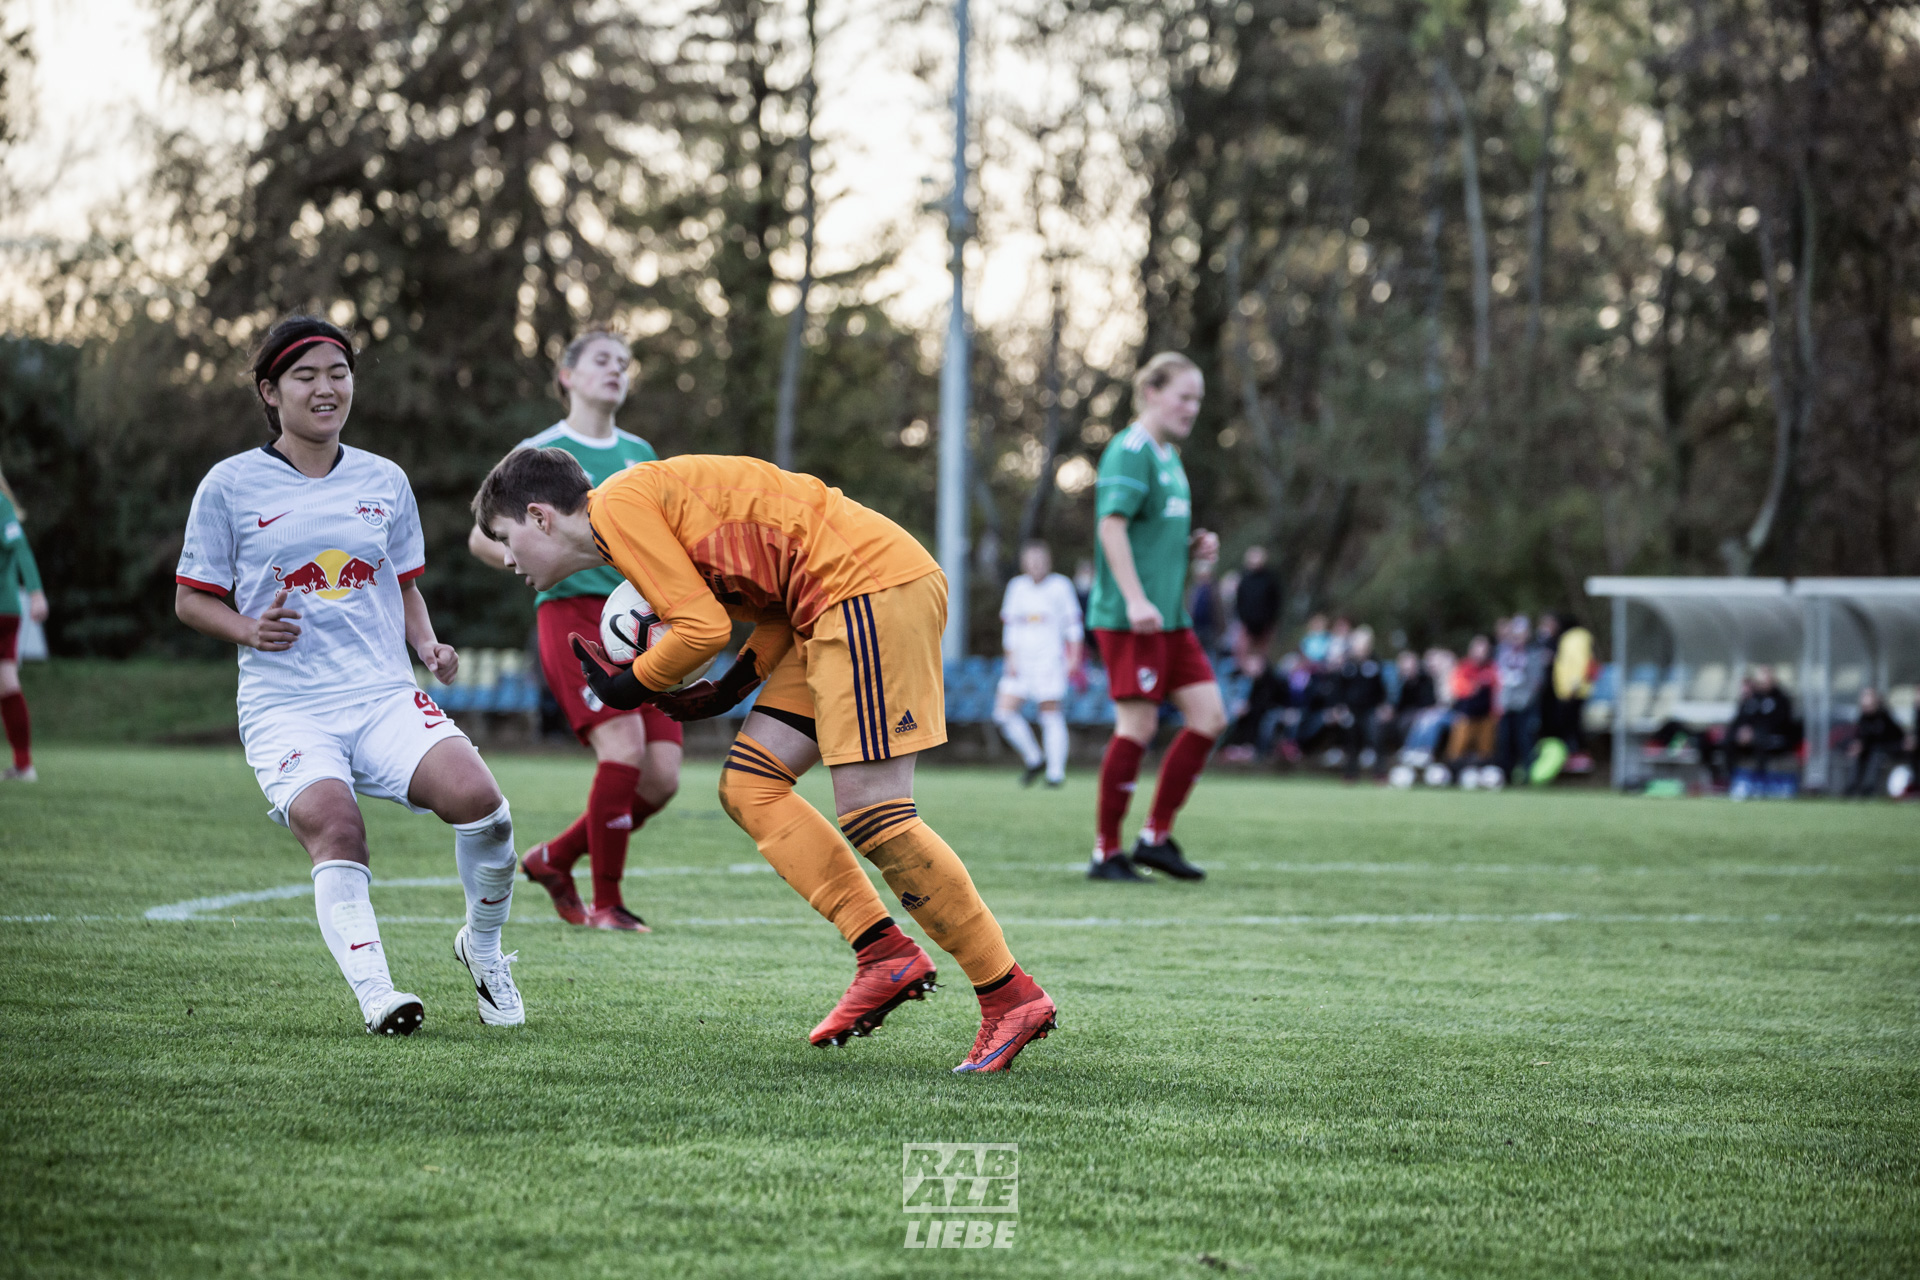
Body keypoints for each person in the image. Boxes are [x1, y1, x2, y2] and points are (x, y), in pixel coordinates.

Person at [471, 447, 1057, 1073]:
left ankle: (1009, 996)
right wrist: (733, 686)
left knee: (876, 814)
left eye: (504, 540)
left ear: (539, 518)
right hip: (826, 601)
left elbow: (700, 629)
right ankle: (883, 953)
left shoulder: (617, 508)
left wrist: (628, 686)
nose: (506, 561)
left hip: (862, 589)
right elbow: (771, 596)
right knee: (750, 786)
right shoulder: (631, 513)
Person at [174, 315, 524, 1036]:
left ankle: (483, 951)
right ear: (271, 392)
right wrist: (247, 629)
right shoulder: (229, 485)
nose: (325, 388)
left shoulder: (384, 480)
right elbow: (190, 598)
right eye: (305, 376)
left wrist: (427, 646)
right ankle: (378, 993)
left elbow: (403, 584)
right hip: (286, 705)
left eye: (338, 373)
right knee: (337, 827)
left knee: (485, 809)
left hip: (382, 694)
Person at [467, 331, 677, 931]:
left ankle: (553, 859)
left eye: (624, 364)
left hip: (640, 619)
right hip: (573, 618)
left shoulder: (641, 452)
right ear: (567, 376)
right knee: (624, 751)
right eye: (602, 361)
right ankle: (606, 904)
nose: (616, 371)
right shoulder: (540, 451)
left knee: (661, 779)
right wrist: (532, 562)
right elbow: (485, 532)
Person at [1083, 352, 1223, 883]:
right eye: (1183, 397)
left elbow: (1149, 535)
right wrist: (1137, 599)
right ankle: (1106, 852)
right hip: (1130, 618)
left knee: (1209, 717)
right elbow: (1111, 528)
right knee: (1137, 725)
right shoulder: (1131, 450)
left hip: (1170, 618)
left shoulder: (1168, 456)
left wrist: (1194, 548)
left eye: (1197, 400)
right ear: (1150, 392)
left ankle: (1155, 838)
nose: (1192, 408)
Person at [992, 540, 1083, 787]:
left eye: (1040, 560)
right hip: (1021, 661)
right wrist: (1010, 658)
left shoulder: (1060, 586)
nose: (1036, 565)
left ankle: (1056, 773)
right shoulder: (1017, 587)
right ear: (1024, 563)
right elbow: (1010, 627)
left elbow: (1073, 625)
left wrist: (1074, 657)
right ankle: (1034, 758)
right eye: (1031, 560)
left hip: (1050, 659)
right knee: (1003, 713)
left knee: (1050, 713)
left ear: (1048, 561)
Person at [0, 465, 46, 781]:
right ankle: (23, 764)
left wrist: (36, 592)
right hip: (7, 611)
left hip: (3, 610)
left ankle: (24, 763)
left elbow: (21, 548)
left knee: (8, 682)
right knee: (7, 683)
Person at [1845, 689, 1913, 797]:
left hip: (1887, 749)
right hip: (1869, 750)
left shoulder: (1884, 716)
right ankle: (1851, 789)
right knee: (1858, 757)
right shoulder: (1863, 718)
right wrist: (1857, 745)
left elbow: (1898, 734)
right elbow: (1859, 737)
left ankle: (1869, 789)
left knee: (1876, 755)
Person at [1444, 635, 1498, 770]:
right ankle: (1453, 769)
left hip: (1486, 715)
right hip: (1466, 714)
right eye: (1478, 649)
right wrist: (1473, 686)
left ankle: (1484, 769)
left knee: (1486, 747)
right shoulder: (1464, 667)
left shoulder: (1492, 668)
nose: (1480, 652)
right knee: (1458, 744)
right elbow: (1458, 689)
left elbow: (1497, 689)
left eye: (1483, 649)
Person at [1231, 545, 1281, 662]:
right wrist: (1242, 617)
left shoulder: (1270, 579)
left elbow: (1275, 601)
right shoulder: (1244, 579)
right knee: (1242, 654)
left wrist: (1270, 620)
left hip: (1264, 624)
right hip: (1246, 623)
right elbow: (1239, 600)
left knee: (1261, 656)